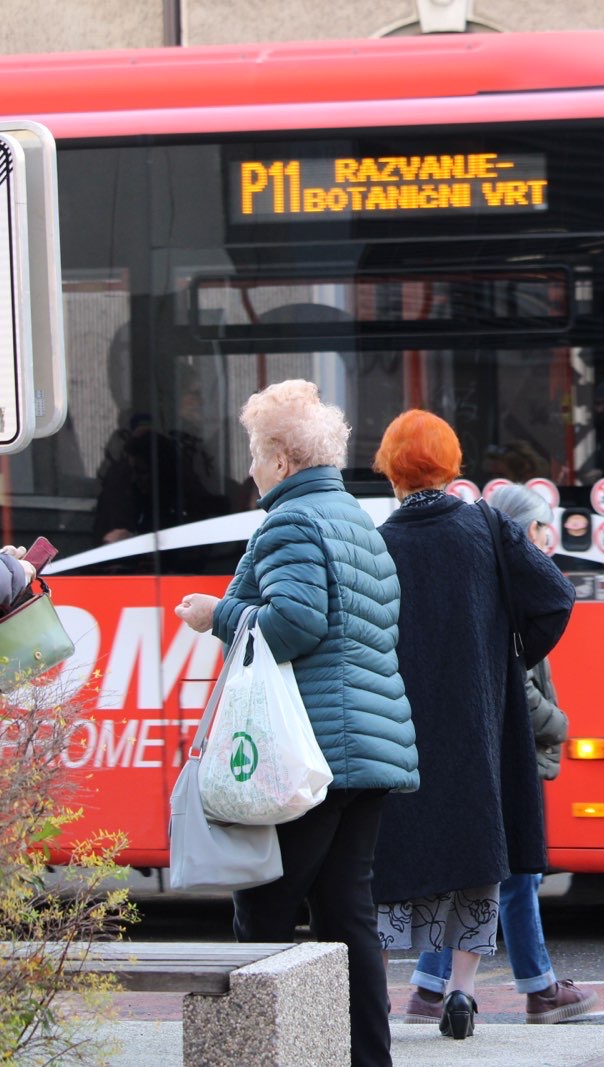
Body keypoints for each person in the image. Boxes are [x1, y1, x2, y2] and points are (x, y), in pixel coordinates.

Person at [173, 379, 418, 1067]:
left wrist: (215, 614)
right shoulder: (356, 522)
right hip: (366, 751)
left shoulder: (291, 522)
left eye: (256, 452)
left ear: (282, 459)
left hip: (307, 754)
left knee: (264, 910)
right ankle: (368, 1059)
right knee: (346, 916)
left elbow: (293, 624)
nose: (251, 467)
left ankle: (257, 1054)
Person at [368, 410, 575, 1041]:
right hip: (478, 721)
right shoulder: (486, 526)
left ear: (392, 471)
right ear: (451, 465)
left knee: (398, 857)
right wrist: (508, 659)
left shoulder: (380, 541)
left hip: (401, 724)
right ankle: (460, 992)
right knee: (477, 852)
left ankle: (379, 995)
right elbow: (555, 597)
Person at [402, 484, 598, 1026]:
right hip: (507, 752)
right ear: (523, 530)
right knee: (511, 877)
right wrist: (559, 724)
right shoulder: (509, 584)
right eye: (541, 529)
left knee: (483, 874)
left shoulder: (497, 579)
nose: (547, 539)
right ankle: (536, 989)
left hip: (492, 751)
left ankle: (431, 988)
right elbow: (519, 684)